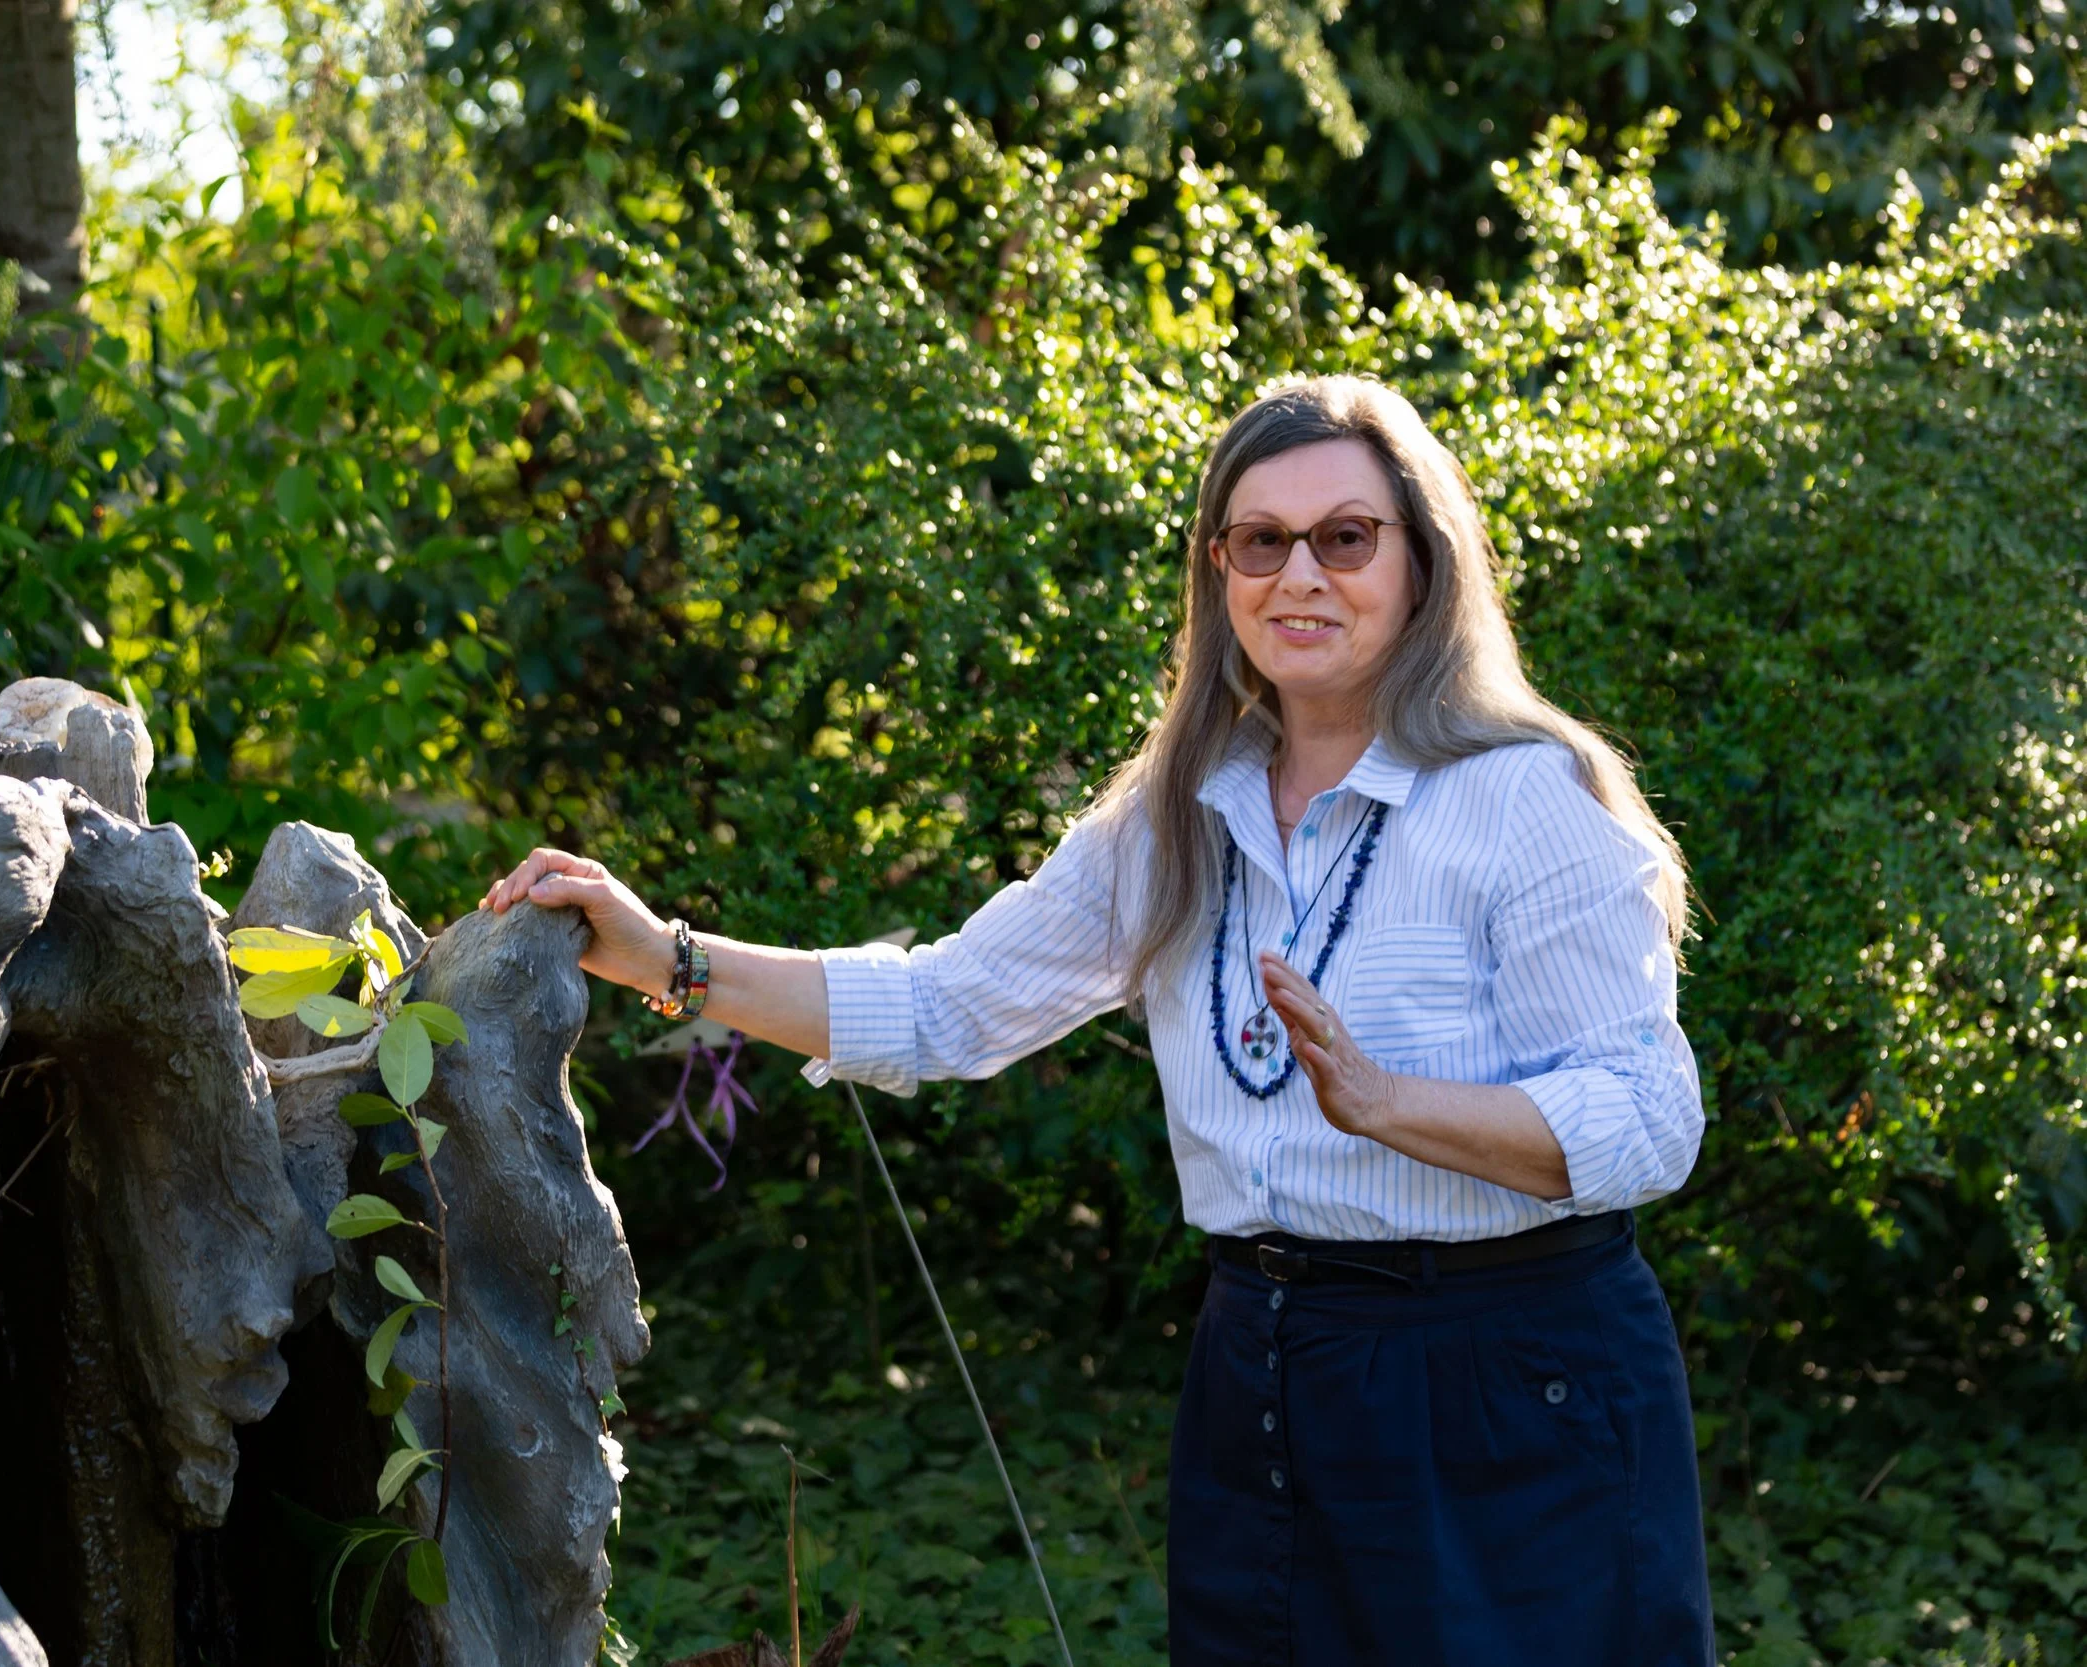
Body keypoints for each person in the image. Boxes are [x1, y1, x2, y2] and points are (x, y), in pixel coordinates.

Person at [483, 375, 1712, 1666]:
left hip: (1510, 1383)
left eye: (1346, 537)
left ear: (1423, 563)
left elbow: (1648, 1119)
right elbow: (947, 1005)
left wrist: (1390, 1105)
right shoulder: (1175, 817)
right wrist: (665, 955)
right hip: (1265, 1374)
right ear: (1219, 574)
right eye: (1260, 541)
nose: (1300, 575)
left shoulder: (1528, 798)